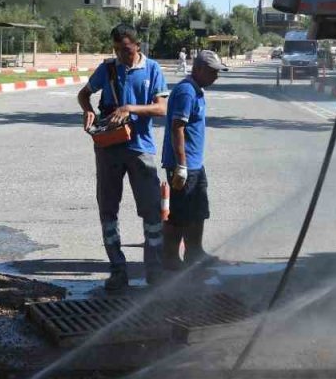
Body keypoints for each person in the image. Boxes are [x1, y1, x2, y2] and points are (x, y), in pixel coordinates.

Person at [77, 24, 170, 291]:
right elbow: (84, 94)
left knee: (152, 210)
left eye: (126, 50)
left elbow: (162, 107)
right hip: (108, 148)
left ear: (137, 46)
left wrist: (131, 109)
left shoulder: (152, 69)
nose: (121, 55)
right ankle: (118, 270)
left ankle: (154, 270)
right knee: (108, 209)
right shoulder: (107, 68)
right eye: (116, 50)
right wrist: (88, 111)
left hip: (141, 148)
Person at [162, 49, 227, 272]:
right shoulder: (186, 92)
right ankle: (170, 257)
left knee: (198, 210)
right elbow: (177, 128)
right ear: (198, 69)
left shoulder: (196, 91)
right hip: (184, 165)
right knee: (180, 213)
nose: (216, 76)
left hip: (195, 165)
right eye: (213, 72)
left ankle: (194, 252)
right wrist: (181, 165)